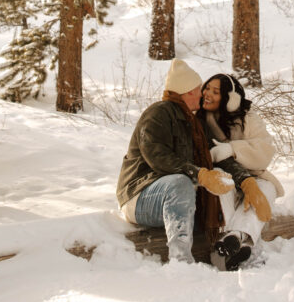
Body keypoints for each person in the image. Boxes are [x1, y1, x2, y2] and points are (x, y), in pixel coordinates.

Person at [116, 58, 252, 264]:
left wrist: (246, 181)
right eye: (199, 89)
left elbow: (216, 153)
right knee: (181, 182)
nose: (203, 93)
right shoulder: (157, 114)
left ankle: (230, 253)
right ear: (188, 92)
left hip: (172, 196)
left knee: (222, 189)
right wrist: (199, 174)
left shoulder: (194, 122)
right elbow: (158, 157)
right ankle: (181, 261)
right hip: (138, 195)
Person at [197, 72, 284, 271]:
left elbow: (265, 150)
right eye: (207, 88)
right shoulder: (200, 119)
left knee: (266, 189)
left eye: (215, 91)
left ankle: (234, 238)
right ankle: (238, 243)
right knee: (224, 186)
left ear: (230, 99)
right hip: (221, 177)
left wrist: (233, 149)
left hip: (253, 174)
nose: (207, 94)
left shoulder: (247, 117)